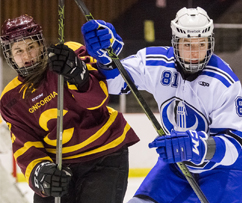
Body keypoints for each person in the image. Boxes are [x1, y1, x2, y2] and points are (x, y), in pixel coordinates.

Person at [81, 7, 242, 203]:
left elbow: (234, 146)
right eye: (187, 44)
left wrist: (197, 146)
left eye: (202, 43)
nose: (195, 52)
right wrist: (107, 60)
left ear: (210, 42)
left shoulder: (224, 82)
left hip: (223, 170)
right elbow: (117, 83)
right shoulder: (156, 62)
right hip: (177, 167)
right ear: (175, 42)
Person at [0, 14, 140, 203]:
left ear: (41, 45)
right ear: (9, 56)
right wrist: (41, 171)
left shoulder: (68, 54)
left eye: (31, 47)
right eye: (18, 50)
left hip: (104, 155)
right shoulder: (10, 99)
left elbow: (98, 100)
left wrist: (78, 74)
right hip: (58, 165)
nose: (26, 56)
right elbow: (25, 144)